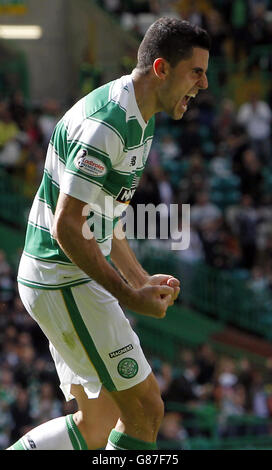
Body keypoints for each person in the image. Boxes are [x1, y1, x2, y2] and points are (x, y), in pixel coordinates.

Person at [8, 17, 210, 450]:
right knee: (146, 411)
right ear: (161, 68)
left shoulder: (140, 115)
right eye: (196, 71)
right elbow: (67, 226)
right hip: (63, 277)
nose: (205, 84)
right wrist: (127, 294)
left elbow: (103, 216)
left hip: (60, 276)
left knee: (99, 424)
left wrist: (139, 279)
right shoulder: (111, 124)